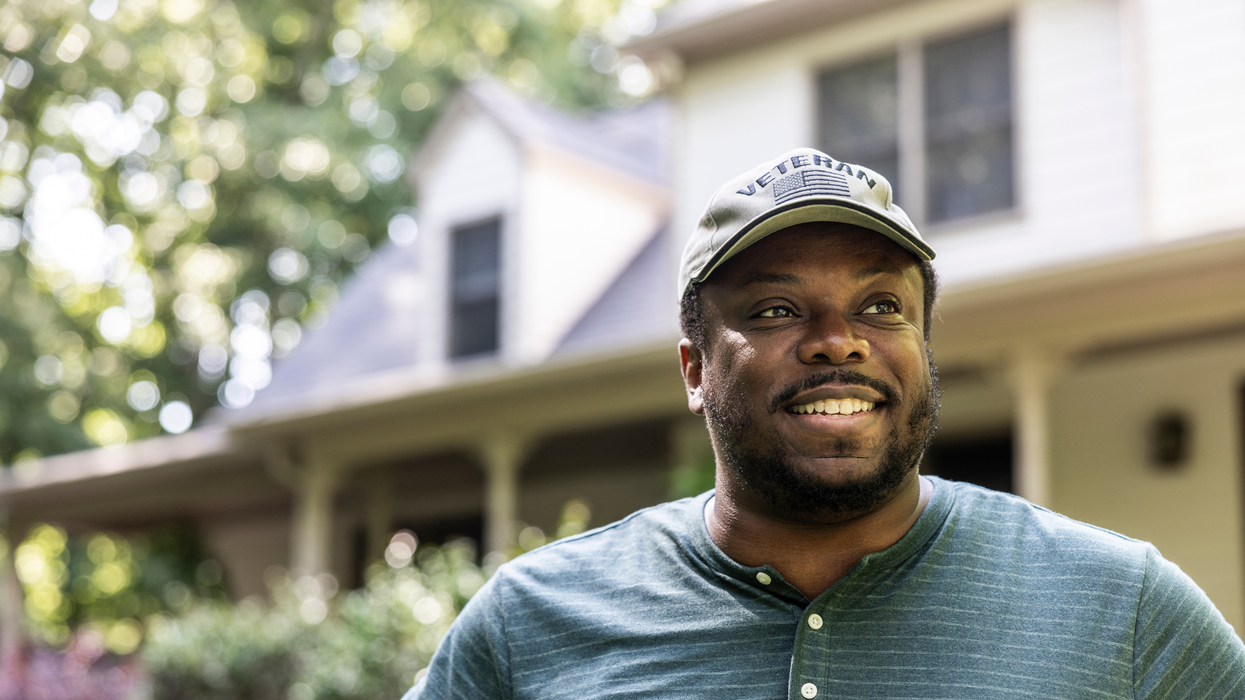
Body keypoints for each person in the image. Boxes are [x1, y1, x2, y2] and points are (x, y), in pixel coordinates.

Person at [405, 148, 1245, 699]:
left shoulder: (1121, 609)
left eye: (881, 305)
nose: (837, 341)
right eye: (775, 309)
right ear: (694, 369)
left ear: (922, 345)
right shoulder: (532, 622)